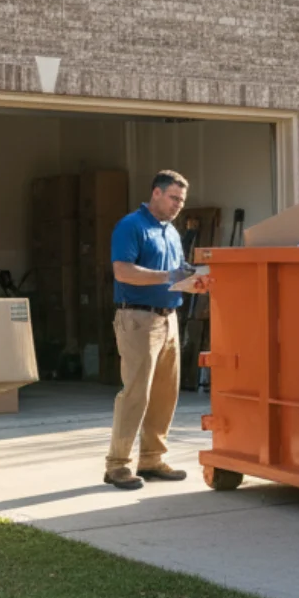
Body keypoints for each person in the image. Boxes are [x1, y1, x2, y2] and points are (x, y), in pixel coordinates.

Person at [103, 170, 208, 490]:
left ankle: (151, 458)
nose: (179, 205)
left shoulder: (172, 233)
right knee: (136, 392)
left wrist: (196, 281)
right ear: (157, 193)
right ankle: (117, 465)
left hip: (169, 318)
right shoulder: (131, 226)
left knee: (165, 393)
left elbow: (175, 274)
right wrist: (168, 276)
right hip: (137, 319)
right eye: (174, 198)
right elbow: (122, 271)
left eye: (183, 200)